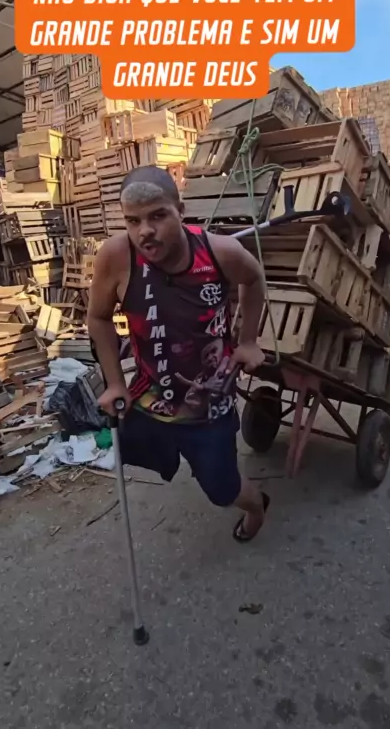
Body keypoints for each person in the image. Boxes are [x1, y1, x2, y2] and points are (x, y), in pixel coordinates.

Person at [87, 165, 269, 542]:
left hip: (209, 405)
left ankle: (256, 507)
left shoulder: (219, 252)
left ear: (180, 211)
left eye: (158, 216)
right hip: (149, 399)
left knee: (223, 490)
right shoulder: (116, 257)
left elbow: (253, 279)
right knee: (135, 452)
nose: (145, 231)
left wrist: (248, 340)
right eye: (133, 221)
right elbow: (99, 317)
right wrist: (115, 383)